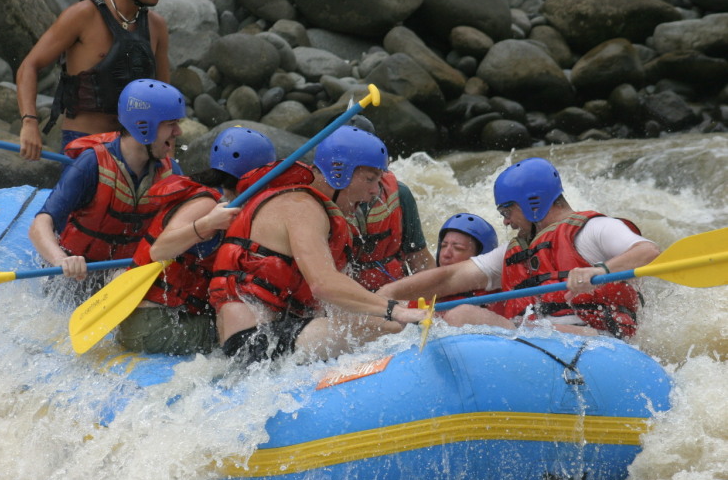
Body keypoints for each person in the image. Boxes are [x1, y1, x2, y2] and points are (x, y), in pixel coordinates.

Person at [209, 125, 431, 365]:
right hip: (253, 341)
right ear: (340, 172)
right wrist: (393, 309)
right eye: (369, 179)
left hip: (280, 330)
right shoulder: (301, 206)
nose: (375, 192)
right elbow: (323, 284)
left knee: (384, 323)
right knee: (392, 325)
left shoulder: (309, 203)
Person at [379, 157, 660, 338]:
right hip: (545, 340)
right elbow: (450, 277)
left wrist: (599, 270)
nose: (505, 220)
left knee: (464, 315)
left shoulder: (593, 229)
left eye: (507, 209)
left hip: (601, 342)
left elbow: (648, 252)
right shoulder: (517, 250)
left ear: (533, 201)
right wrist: (389, 295)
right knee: (453, 315)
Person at [118, 127, 277, 355]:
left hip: (153, 321)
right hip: (155, 326)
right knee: (256, 337)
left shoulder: (223, 199)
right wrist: (208, 223)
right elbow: (159, 250)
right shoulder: (208, 203)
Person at [16, 0, 179, 160]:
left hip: (137, 147)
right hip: (85, 143)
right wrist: (29, 122)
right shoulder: (83, 14)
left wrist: (168, 144)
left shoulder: (157, 26)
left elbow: (164, 95)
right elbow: (29, 66)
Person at [28, 79, 184, 293]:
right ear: (144, 126)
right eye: (170, 124)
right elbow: (40, 225)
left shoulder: (171, 172)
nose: (178, 132)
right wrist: (61, 260)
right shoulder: (91, 164)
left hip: (124, 273)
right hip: (77, 276)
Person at [335, 120, 433, 290]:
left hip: (390, 292)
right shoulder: (321, 199)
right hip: (343, 296)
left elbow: (420, 261)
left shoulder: (400, 194)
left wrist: (436, 300)